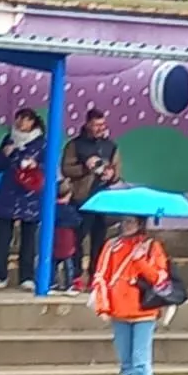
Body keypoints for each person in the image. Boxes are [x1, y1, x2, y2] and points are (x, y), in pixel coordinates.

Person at [91, 214, 170, 375]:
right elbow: (101, 276)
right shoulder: (111, 246)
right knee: (125, 360)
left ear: (140, 223)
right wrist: (103, 307)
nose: (126, 225)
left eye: (131, 221)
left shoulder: (152, 247)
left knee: (140, 359)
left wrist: (140, 260)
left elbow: (159, 278)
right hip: (119, 310)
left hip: (144, 310)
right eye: (124, 221)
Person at [0, 108, 46, 291]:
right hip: (8, 192)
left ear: (33, 123)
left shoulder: (41, 143)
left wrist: (35, 165)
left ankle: (27, 277)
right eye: (19, 118)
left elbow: (49, 166)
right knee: (3, 237)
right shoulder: (9, 139)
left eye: (26, 119)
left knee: (29, 238)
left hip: (31, 194)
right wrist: (5, 153)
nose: (21, 123)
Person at [62, 108, 123, 284]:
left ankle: (96, 276)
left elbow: (117, 168)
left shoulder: (111, 145)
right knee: (77, 238)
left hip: (102, 198)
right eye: (96, 124)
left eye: (102, 124)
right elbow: (66, 168)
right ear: (88, 124)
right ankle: (76, 276)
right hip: (81, 198)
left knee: (99, 240)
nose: (100, 128)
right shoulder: (75, 145)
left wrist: (112, 175)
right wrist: (86, 168)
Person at [54, 179, 83, 294]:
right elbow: (77, 222)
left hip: (54, 239)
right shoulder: (70, 210)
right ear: (69, 194)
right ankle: (68, 283)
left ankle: (52, 282)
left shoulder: (52, 209)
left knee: (53, 263)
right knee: (68, 263)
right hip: (67, 239)